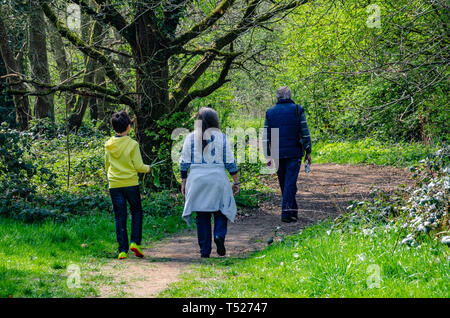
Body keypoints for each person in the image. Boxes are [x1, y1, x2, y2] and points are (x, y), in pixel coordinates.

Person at [180, 107, 240, 258]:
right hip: (217, 178)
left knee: (202, 215)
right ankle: (219, 235)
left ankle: (204, 250)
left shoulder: (190, 137)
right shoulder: (222, 137)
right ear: (215, 121)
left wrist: (183, 181)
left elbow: (184, 162)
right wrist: (236, 181)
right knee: (221, 210)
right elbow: (230, 162)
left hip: (197, 180)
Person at [105, 111, 151, 260]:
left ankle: (122, 250)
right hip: (130, 183)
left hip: (114, 184)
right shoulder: (132, 144)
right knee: (136, 211)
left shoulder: (108, 144)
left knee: (120, 216)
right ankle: (135, 242)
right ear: (128, 127)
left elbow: (107, 165)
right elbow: (138, 166)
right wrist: (148, 168)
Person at [263, 86, 312, 223]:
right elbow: (305, 131)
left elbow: (266, 135)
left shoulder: (270, 112)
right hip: (294, 152)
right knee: (289, 183)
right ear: (290, 96)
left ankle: (293, 212)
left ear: (277, 97)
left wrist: (267, 155)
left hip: (277, 153)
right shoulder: (297, 109)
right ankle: (286, 213)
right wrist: (308, 151)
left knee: (285, 183)